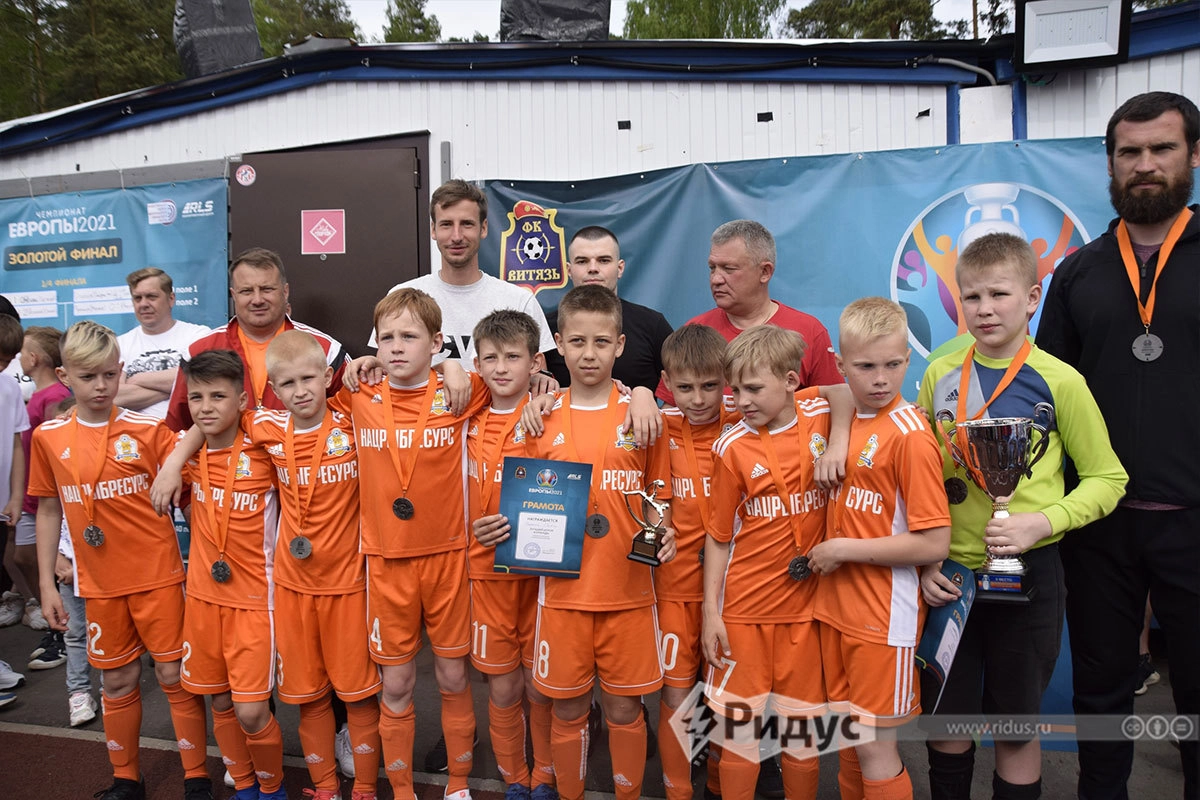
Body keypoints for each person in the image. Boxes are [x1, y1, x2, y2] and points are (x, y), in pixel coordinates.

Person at [917, 233, 1127, 800]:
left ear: (1033, 298)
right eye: (972, 296)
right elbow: (920, 478)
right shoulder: (939, 373)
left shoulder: (1061, 380)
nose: (985, 309)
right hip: (949, 578)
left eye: (999, 294)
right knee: (948, 725)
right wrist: (925, 561)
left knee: (1015, 729)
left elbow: (1109, 479)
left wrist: (1043, 522)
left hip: (1030, 575)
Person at [1036, 90, 1200, 799]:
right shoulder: (1079, 272)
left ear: (1194, 155)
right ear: (1109, 164)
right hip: (1100, 523)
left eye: (1162, 148)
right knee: (1101, 690)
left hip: (1195, 521)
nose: (1145, 164)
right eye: (1129, 152)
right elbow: (1045, 395)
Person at [28, 321, 211, 800]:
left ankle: (196, 777)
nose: (101, 386)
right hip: (99, 585)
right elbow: (47, 508)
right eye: (88, 377)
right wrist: (46, 585)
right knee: (117, 678)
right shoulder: (49, 437)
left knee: (174, 676)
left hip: (159, 578)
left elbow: (195, 465)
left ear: (121, 370)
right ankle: (126, 779)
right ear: (65, 376)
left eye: (110, 375)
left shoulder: (148, 430)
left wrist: (177, 465)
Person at [523, 284, 676, 800]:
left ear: (620, 345)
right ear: (560, 344)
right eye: (578, 342)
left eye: (602, 342)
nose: (589, 354)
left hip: (627, 593)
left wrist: (665, 532)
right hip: (563, 595)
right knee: (567, 708)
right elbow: (525, 503)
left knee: (625, 709)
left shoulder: (642, 415)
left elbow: (658, 494)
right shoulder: (540, 418)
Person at [341, 288, 491, 800]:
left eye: (409, 336)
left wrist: (454, 369)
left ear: (437, 341)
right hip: (386, 563)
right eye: (386, 338)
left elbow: (524, 380)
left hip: (448, 559)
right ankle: (402, 790)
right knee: (397, 685)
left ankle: (458, 786)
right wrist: (356, 364)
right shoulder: (356, 394)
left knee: (452, 678)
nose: (397, 347)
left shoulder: (463, 392)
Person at [808, 298, 951, 800]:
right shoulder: (846, 416)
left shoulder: (911, 435)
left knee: (874, 749)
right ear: (840, 363)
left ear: (909, 360)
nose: (881, 379)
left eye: (893, 364)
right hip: (838, 608)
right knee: (849, 741)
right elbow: (815, 392)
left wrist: (843, 549)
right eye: (865, 366)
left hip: (884, 617)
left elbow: (934, 540)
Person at [700, 325, 835, 800]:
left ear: (792, 381)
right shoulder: (731, 447)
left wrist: (838, 444)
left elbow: (843, 393)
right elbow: (718, 538)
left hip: (806, 611)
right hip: (744, 612)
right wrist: (711, 613)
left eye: (754, 389)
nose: (741, 401)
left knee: (802, 738)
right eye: (735, 390)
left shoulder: (820, 414)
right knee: (739, 737)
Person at [463, 310, 558, 800]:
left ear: (535, 362)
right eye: (491, 358)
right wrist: (471, 527)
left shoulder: (551, 415)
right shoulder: (464, 419)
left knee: (540, 686)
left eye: (513, 357)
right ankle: (514, 778)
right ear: (476, 364)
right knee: (503, 688)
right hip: (486, 573)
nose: (501, 368)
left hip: (541, 577)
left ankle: (545, 776)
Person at [372, 179, 555, 371]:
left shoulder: (519, 301)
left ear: (483, 228)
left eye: (467, 224)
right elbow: (384, 371)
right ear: (433, 229)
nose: (457, 236)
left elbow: (538, 377)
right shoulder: (401, 296)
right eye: (446, 224)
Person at [657, 219, 842, 405]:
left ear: (765, 272)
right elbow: (672, 411)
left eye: (729, 269)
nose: (716, 279)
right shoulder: (696, 331)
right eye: (712, 268)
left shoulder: (809, 331)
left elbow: (836, 403)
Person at [165, 247, 348, 431]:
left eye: (267, 289)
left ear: (285, 292)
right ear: (234, 295)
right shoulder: (199, 351)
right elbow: (178, 427)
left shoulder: (326, 349)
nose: (257, 299)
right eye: (246, 291)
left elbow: (352, 415)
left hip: (306, 449)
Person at [544, 226, 674, 390]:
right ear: (569, 270)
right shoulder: (546, 328)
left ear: (620, 268)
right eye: (582, 261)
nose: (593, 268)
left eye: (603, 260)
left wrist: (643, 395)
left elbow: (684, 383)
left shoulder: (653, 325)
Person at [12, 327, 70, 668]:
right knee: (24, 557)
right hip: (32, 494)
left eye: (22, 352)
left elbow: (57, 451)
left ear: (34, 358)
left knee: (53, 565)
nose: (19, 358)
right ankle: (56, 622)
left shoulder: (55, 397)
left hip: (48, 497)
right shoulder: (37, 395)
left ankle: (63, 633)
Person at [116, 267, 211, 419]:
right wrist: (177, 388)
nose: (143, 304)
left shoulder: (198, 335)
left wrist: (137, 379)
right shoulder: (120, 344)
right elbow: (116, 397)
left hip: (188, 430)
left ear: (171, 299)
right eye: (137, 298)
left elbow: (203, 379)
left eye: (151, 297)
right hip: (136, 432)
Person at [0, 317, 33, 631]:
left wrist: (15, 496)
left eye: (7, 361)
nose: (2, 366)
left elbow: (16, 444)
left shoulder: (9, 387)